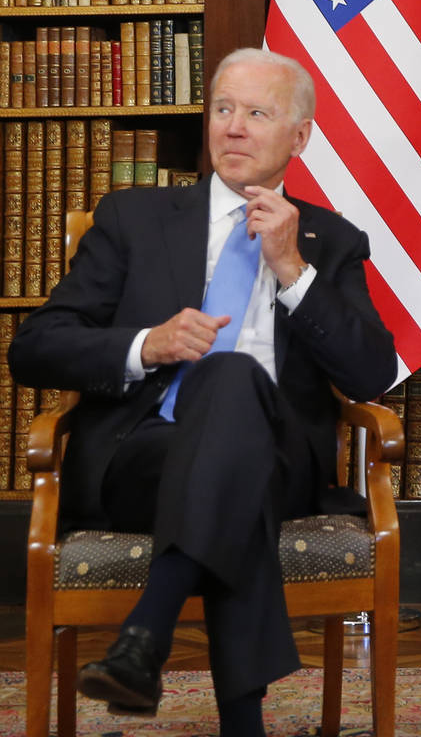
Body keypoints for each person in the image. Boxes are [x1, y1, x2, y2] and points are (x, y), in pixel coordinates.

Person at [10, 48, 398, 737]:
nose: (234, 127)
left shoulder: (330, 241)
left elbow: (370, 372)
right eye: (223, 109)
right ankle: (230, 715)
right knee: (230, 456)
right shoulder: (133, 218)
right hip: (142, 455)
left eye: (257, 113)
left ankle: (145, 637)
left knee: (232, 380)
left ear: (299, 137)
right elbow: (35, 347)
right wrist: (147, 344)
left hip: (278, 462)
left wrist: (292, 269)